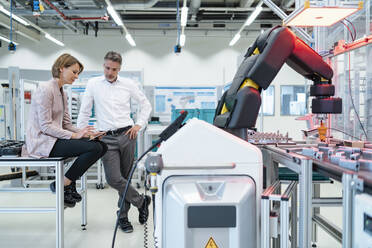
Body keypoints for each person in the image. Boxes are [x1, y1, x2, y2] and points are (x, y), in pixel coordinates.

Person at [77, 51, 152, 233]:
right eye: (107, 68)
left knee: (124, 179)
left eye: (114, 69)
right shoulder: (93, 84)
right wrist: (83, 132)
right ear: (103, 65)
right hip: (106, 138)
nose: (110, 72)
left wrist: (138, 125)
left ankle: (123, 218)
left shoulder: (128, 84)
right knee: (113, 179)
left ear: (120, 69)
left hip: (127, 135)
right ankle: (141, 201)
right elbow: (85, 110)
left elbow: (146, 105)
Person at [22, 53, 108, 208]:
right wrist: (75, 135)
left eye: (77, 73)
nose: (76, 76)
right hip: (42, 141)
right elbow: (45, 126)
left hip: (55, 139)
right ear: (62, 68)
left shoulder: (62, 92)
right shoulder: (45, 89)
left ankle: (66, 183)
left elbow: (66, 123)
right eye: (74, 72)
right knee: (93, 148)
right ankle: (64, 184)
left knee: (101, 146)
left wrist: (86, 133)